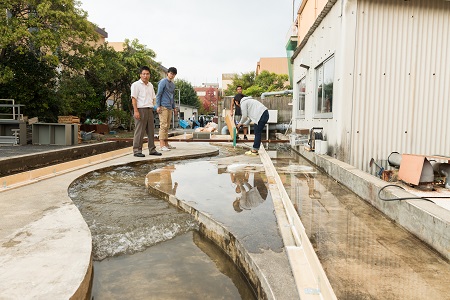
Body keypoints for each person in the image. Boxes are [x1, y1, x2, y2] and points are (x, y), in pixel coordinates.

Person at [131, 66, 161, 157]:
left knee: (151, 131)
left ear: (149, 75)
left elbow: (153, 98)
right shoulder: (136, 85)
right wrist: (136, 111)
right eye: (143, 74)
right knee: (139, 131)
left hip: (149, 109)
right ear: (140, 75)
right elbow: (134, 98)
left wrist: (156, 107)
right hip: (140, 109)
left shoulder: (150, 85)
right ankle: (137, 150)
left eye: (147, 74)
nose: (145, 76)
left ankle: (152, 149)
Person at [156, 67, 178, 151]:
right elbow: (159, 94)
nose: (172, 75)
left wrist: (174, 107)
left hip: (169, 107)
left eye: (174, 74)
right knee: (163, 125)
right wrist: (158, 106)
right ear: (167, 73)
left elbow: (172, 97)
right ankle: (162, 145)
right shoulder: (162, 82)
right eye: (171, 73)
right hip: (163, 106)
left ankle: (166, 143)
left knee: (167, 126)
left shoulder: (172, 85)